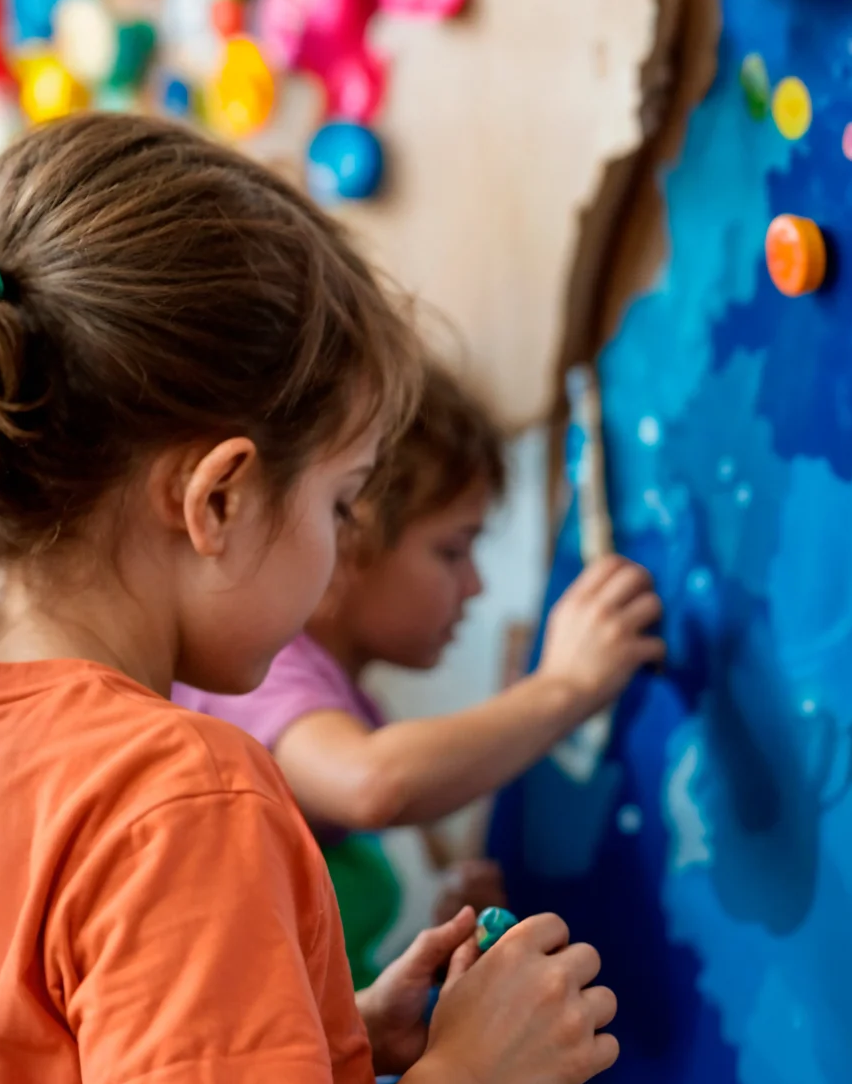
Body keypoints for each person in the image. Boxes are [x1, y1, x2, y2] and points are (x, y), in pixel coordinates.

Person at [0, 112, 621, 1084]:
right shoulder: (183, 796)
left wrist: (329, 1039)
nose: (339, 544)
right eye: (343, 497)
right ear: (218, 497)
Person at [174, 361, 665, 981]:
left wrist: (428, 959)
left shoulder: (335, 699)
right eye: (452, 550)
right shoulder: (254, 671)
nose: (475, 584)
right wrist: (566, 687)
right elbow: (372, 782)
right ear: (351, 534)